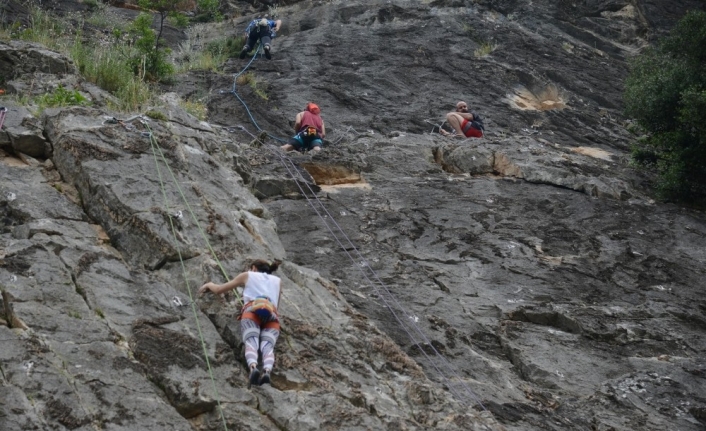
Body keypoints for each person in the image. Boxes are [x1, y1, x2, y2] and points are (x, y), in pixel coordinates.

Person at [198, 259, 282, 387]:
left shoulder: (247, 275)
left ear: (253, 268)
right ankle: (267, 371)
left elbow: (220, 289)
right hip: (272, 314)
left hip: (252, 310)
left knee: (251, 342)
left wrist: (209, 284)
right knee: (268, 347)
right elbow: (277, 304)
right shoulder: (278, 281)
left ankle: (253, 368)